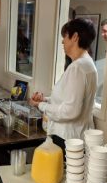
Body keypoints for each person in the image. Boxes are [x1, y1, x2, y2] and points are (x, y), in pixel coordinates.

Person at [29, 18, 98, 151]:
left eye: (65, 36)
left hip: (67, 138)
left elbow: (70, 111)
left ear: (75, 37)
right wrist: (46, 99)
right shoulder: (87, 64)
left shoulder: (77, 68)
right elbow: (70, 100)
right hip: (77, 136)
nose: (62, 41)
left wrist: (40, 105)